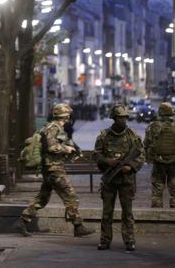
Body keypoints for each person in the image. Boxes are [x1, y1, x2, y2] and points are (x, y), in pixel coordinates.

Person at [16, 103, 94, 237]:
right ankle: (78, 226)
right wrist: (66, 149)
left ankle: (22, 221)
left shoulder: (56, 128)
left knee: (42, 198)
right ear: (66, 116)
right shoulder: (53, 128)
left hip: (52, 168)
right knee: (70, 195)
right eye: (69, 116)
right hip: (53, 169)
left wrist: (70, 148)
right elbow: (52, 147)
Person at [93, 104, 143, 251]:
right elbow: (96, 154)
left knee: (127, 213)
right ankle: (105, 240)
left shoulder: (132, 135)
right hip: (110, 180)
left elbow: (141, 155)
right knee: (107, 212)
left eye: (125, 117)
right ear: (114, 118)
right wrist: (107, 161)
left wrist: (131, 167)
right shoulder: (104, 135)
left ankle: (129, 240)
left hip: (126, 181)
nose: (123, 120)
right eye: (120, 117)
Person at [144, 102, 175, 208]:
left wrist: (148, 157)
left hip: (158, 161)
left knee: (157, 189)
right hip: (174, 162)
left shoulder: (153, 126)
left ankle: (156, 213)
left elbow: (146, 143)